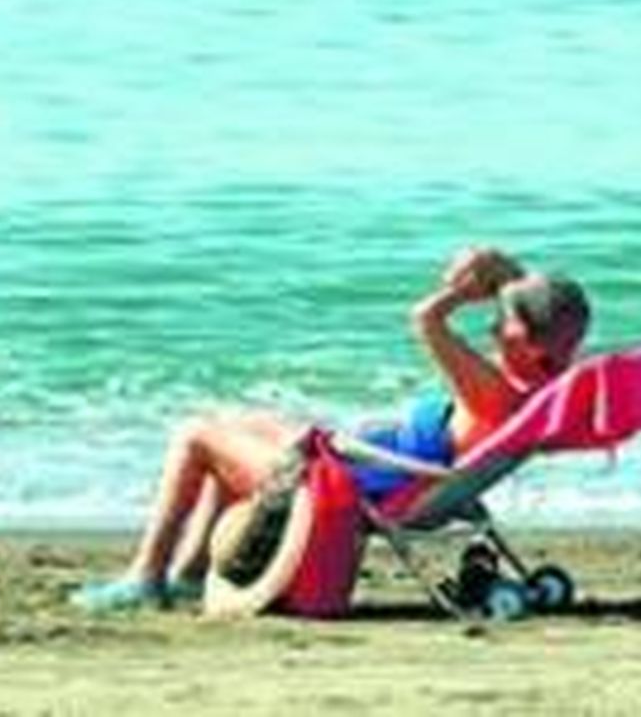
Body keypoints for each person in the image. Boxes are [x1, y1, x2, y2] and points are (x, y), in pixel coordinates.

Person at [74, 244, 592, 614]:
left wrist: (456, 293)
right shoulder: (543, 395)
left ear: (528, 342)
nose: (493, 326)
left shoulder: (491, 393)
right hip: (381, 477)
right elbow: (539, 316)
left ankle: (146, 578)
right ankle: (187, 577)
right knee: (237, 424)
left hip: (341, 484)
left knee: (195, 434)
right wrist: (504, 276)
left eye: (505, 324)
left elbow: (425, 321)